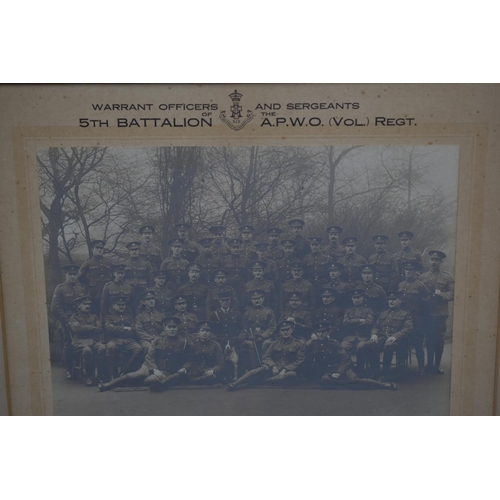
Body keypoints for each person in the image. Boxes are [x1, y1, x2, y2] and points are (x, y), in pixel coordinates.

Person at [99, 316, 190, 392]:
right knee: (134, 375)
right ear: (165, 328)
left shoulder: (183, 342)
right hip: (150, 366)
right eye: (169, 327)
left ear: (177, 328)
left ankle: (140, 382)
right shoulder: (158, 340)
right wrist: (155, 369)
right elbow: (150, 356)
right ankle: (109, 385)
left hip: (167, 370)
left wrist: (184, 367)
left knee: (152, 380)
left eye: (174, 327)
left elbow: (189, 358)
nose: (172, 329)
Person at [307, 321, 396, 390]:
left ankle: (384, 385)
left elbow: (345, 358)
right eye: (318, 332)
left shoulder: (334, 343)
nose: (321, 334)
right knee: (325, 380)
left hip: (342, 368)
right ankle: (345, 384)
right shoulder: (313, 344)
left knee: (356, 382)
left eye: (323, 332)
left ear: (327, 332)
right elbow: (306, 354)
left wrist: (339, 372)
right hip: (328, 370)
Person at [228, 320, 306, 390]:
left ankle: (260, 382)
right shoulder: (274, 343)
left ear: (291, 330)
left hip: (289, 370)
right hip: (275, 368)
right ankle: (235, 384)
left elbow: (299, 361)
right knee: (259, 369)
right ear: (280, 332)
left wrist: (285, 369)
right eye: (283, 330)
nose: (285, 332)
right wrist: (273, 366)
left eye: (287, 330)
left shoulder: (298, 344)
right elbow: (265, 357)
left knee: (291, 374)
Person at [419, 250, 454, 374]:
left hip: (440, 313)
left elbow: (453, 293)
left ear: (441, 261)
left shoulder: (447, 276)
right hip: (427, 313)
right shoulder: (423, 277)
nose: (434, 262)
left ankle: (437, 365)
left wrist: (442, 295)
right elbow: (419, 293)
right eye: (432, 260)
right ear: (429, 261)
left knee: (439, 339)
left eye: (436, 260)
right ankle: (429, 365)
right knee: (429, 338)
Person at [51, 264, 87, 379]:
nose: (72, 277)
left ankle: (82, 367)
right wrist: (67, 321)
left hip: (81, 321)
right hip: (67, 320)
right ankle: (69, 369)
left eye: (74, 274)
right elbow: (55, 308)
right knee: (69, 344)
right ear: (65, 275)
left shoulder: (81, 288)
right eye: (70, 274)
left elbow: (85, 304)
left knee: (83, 342)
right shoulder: (60, 288)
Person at [398, 260, 431, 375]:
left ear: (414, 271)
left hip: (416, 318)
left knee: (417, 343)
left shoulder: (420, 285)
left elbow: (427, 300)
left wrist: (422, 315)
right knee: (401, 342)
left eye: (410, 270)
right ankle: (400, 367)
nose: (408, 272)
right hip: (402, 319)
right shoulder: (400, 285)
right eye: (406, 270)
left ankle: (421, 368)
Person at [371, 290, 413, 381]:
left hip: (398, 341)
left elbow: (408, 328)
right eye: (390, 299)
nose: (391, 301)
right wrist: (374, 334)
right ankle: (376, 372)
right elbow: (376, 326)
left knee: (388, 345)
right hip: (382, 338)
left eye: (394, 299)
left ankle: (385, 372)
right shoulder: (384, 313)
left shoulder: (405, 313)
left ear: (400, 301)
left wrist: (395, 336)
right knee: (367, 345)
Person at [69, 295, 106, 386]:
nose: (87, 306)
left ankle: (100, 376)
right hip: (80, 342)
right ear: (78, 306)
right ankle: (90, 376)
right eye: (84, 304)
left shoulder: (94, 316)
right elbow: (76, 329)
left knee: (102, 348)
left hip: (94, 341)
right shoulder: (74, 317)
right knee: (87, 351)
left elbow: (100, 328)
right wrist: (92, 327)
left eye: (89, 304)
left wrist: (86, 328)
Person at [103, 296, 143, 381]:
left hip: (129, 340)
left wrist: (115, 328)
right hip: (114, 340)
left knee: (138, 348)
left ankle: (125, 371)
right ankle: (111, 374)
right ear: (113, 305)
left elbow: (133, 329)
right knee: (110, 347)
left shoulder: (129, 316)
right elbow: (108, 329)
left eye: (123, 305)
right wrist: (124, 328)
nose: (121, 307)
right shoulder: (109, 317)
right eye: (119, 305)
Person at [341, 286, 376, 376]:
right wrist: (360, 320)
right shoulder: (348, 311)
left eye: (358, 298)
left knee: (361, 347)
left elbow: (368, 322)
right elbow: (345, 323)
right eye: (354, 298)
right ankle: (351, 368)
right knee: (343, 347)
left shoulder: (368, 310)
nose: (356, 300)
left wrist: (351, 323)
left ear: (363, 298)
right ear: (352, 299)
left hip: (363, 337)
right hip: (349, 337)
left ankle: (360, 370)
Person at [240, 289, 277, 369]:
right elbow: (244, 328)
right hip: (252, 337)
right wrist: (249, 336)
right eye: (254, 299)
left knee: (266, 344)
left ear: (263, 299)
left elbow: (272, 327)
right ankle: (254, 367)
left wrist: (262, 336)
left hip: (266, 337)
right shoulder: (247, 313)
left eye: (259, 298)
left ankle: (266, 366)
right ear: (251, 300)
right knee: (249, 344)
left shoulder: (269, 312)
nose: (257, 301)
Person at [77, 239, 112, 315]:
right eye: (97, 248)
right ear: (93, 249)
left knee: (108, 309)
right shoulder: (88, 262)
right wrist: (90, 283)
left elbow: (113, 274)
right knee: (95, 310)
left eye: (101, 248)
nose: (99, 250)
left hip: (107, 290)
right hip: (94, 291)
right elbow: (80, 276)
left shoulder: (108, 262)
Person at [134, 290, 166, 354]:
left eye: (152, 299)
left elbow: (165, 329)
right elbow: (139, 331)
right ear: (143, 302)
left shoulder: (161, 315)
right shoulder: (140, 316)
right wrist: (151, 339)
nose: (151, 301)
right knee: (149, 348)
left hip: (160, 338)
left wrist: (158, 338)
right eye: (148, 299)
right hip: (145, 340)